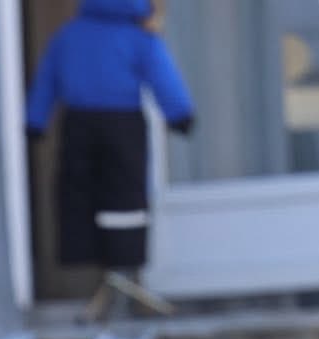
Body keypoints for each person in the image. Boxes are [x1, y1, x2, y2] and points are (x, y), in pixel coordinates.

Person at [25, 0, 194, 307]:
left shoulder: (69, 34)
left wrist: (35, 120)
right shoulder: (137, 37)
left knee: (78, 194)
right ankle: (124, 271)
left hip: (78, 124)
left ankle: (91, 275)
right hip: (123, 124)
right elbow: (162, 74)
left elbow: (47, 78)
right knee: (125, 197)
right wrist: (179, 114)